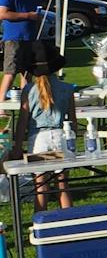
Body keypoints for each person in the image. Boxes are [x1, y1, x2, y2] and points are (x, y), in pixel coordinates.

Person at [24, 42, 75, 211]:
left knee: (41, 187)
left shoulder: (29, 90)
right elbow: (73, 121)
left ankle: (41, 224)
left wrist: (18, 146)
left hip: (38, 138)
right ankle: (70, 222)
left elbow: (23, 122)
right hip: (61, 135)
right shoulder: (67, 88)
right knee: (62, 185)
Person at [0, 0, 49, 106]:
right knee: (10, 72)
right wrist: (27, 15)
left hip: (31, 37)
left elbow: (37, 13)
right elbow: (2, 13)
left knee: (27, 73)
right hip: (14, 38)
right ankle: (1, 105)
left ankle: (25, 104)